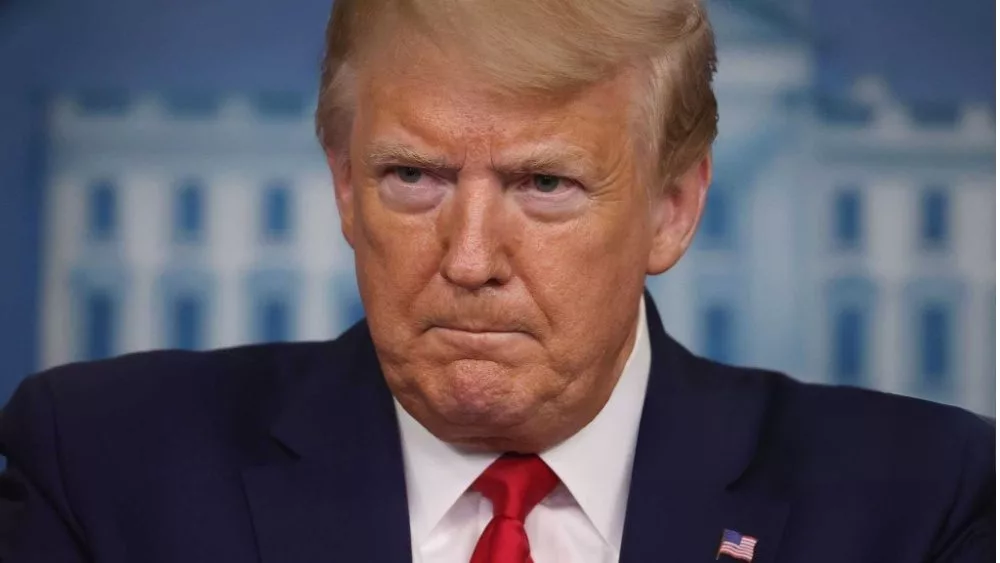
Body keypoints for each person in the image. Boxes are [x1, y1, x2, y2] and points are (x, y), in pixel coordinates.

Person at [0, 0, 993, 561]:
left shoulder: (922, 503)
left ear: (672, 208)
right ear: (345, 188)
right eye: (413, 177)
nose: (468, 258)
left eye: (545, 183)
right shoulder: (102, 468)